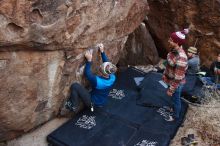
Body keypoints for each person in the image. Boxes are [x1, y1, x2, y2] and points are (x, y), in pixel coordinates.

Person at [61, 43, 117, 115]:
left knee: (75, 86)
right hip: (101, 102)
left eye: (101, 66)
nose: (101, 65)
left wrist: (89, 60)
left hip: (92, 104)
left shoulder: (98, 81)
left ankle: (73, 105)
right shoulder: (112, 77)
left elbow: (88, 74)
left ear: (102, 71)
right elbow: (107, 65)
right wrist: (102, 52)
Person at [162, 29, 188, 121]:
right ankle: (172, 109)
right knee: (173, 98)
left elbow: (178, 78)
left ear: (176, 42)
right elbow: (169, 65)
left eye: (170, 40)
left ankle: (175, 116)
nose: (168, 41)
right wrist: (165, 74)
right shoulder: (173, 50)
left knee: (176, 99)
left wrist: (171, 90)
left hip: (176, 84)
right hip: (170, 79)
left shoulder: (181, 58)